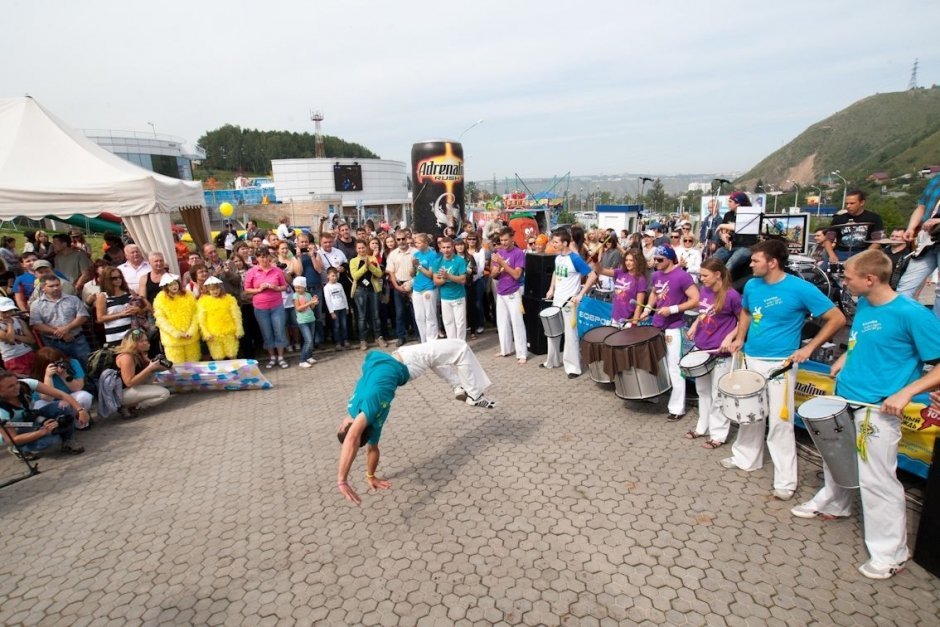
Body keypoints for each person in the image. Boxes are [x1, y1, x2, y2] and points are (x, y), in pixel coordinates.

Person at [790, 250, 940, 579]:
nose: (843, 281)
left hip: (878, 409)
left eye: (848, 277)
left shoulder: (912, 313)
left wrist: (906, 392)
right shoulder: (866, 304)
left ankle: (891, 553)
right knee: (836, 457)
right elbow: (863, 341)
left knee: (878, 480)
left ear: (870, 279)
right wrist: (847, 358)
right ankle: (835, 503)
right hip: (847, 397)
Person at [726, 239, 846, 500]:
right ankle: (746, 458)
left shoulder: (800, 288)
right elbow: (746, 311)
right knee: (751, 414)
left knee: (780, 422)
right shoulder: (752, 285)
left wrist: (810, 347)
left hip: (780, 365)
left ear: (772, 262)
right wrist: (739, 337)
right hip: (751, 359)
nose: (751, 264)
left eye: (756, 260)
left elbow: (836, 318)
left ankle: (785, 480)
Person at [335, 339, 496, 505]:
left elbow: (372, 450)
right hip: (409, 359)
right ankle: (475, 395)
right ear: (351, 426)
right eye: (342, 426)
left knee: (435, 357)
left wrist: (371, 476)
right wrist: (342, 480)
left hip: (407, 366)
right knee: (460, 348)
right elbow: (352, 439)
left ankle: (457, 386)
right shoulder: (370, 404)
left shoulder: (373, 425)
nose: (341, 421)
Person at [684, 258, 740, 448]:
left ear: (718, 275)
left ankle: (718, 434)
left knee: (718, 393)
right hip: (703, 346)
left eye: (705, 275)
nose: (701, 279)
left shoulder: (732, 295)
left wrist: (730, 337)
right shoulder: (705, 290)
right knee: (703, 391)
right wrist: (695, 324)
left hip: (720, 351)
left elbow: (743, 321)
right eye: (700, 275)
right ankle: (702, 427)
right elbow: (704, 312)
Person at [641, 245, 699, 420]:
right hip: (658, 324)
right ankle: (654, 394)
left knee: (675, 367)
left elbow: (696, 300)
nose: (656, 263)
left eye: (660, 260)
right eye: (655, 259)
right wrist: (648, 309)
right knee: (657, 363)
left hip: (675, 326)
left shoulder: (682, 276)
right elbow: (655, 293)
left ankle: (676, 408)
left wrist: (673, 309)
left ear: (670, 259)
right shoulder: (656, 274)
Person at [0, 369, 87, 457]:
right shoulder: (1, 411)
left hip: (30, 419)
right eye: (10, 386)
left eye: (16, 383)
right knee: (51, 439)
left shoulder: (25, 384)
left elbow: (61, 394)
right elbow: (12, 439)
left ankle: (68, 441)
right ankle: (17, 449)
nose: (17, 387)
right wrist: (43, 431)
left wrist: (80, 410)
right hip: (14, 429)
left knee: (64, 406)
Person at [543, 229, 593, 377]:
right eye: (553, 241)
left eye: (556, 242)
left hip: (569, 302)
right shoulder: (558, 257)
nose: (553, 244)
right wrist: (551, 289)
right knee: (553, 330)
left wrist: (580, 294)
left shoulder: (575, 258)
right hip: (557, 299)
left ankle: (573, 368)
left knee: (570, 335)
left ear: (565, 243)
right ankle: (552, 360)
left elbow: (592, 275)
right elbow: (555, 272)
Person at [898, 175, 940, 319]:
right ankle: (902, 324)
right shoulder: (936, 179)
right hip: (927, 239)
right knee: (906, 285)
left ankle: (936, 331)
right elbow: (921, 207)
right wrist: (911, 228)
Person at [29, 275, 91, 367]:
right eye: (51, 286)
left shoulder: (73, 299)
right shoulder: (36, 305)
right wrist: (58, 332)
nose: (56, 288)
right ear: (43, 288)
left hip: (77, 340)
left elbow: (83, 316)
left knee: (87, 365)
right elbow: (36, 324)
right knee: (61, 368)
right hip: (53, 343)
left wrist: (66, 328)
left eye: (57, 285)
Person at [243, 247, 289, 369]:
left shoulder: (277, 270)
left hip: (276, 306)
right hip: (260, 307)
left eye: (265, 256)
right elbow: (246, 290)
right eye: (261, 256)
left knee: (279, 331)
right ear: (257, 258)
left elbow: (284, 286)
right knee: (266, 333)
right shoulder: (251, 272)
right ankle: (272, 357)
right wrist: (259, 289)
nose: (264, 259)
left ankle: (281, 357)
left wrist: (275, 288)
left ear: (269, 256)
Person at [491, 227, 528, 363]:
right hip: (501, 291)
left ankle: (522, 353)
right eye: (501, 240)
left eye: (506, 240)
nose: (504, 242)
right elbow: (494, 274)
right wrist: (497, 270)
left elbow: (517, 275)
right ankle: (506, 349)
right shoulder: (499, 252)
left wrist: (502, 264)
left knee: (517, 322)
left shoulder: (518, 253)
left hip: (513, 291)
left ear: (512, 239)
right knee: (502, 322)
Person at [114, 329, 171, 415]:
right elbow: (129, 382)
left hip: (129, 389)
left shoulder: (138, 354)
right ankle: (129, 406)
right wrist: (149, 368)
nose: (145, 343)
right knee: (164, 393)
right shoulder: (127, 357)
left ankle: (133, 402)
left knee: (151, 372)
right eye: (141, 341)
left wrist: (164, 364)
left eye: (146, 340)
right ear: (132, 343)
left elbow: (156, 368)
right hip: (120, 394)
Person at [31, 346, 94, 420]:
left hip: (69, 396)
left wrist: (64, 374)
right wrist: (48, 377)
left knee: (85, 396)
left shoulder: (73, 363)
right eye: (54, 364)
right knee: (38, 408)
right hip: (48, 402)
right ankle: (56, 426)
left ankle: (79, 419)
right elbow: (48, 398)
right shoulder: (37, 374)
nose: (58, 365)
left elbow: (78, 388)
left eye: (59, 361)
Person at [152, 274, 201, 365]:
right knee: (177, 367)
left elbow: (196, 314)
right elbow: (161, 320)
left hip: (190, 338)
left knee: (194, 365)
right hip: (173, 341)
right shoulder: (160, 299)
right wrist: (176, 333)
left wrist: (192, 330)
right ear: (165, 287)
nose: (174, 286)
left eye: (175, 284)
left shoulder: (188, 295)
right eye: (170, 285)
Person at [591, 249, 648, 325]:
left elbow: (639, 305)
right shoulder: (620, 272)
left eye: (631, 260)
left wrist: (634, 324)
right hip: (615, 318)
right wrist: (595, 259)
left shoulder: (640, 279)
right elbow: (600, 270)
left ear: (638, 261)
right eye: (626, 260)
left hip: (628, 321)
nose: (628, 263)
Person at [825, 190, 884, 261]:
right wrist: (832, 255)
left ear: (862, 203)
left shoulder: (874, 218)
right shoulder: (838, 218)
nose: (848, 206)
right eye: (846, 203)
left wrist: (865, 254)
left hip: (864, 252)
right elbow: (828, 240)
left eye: (852, 203)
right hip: (841, 253)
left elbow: (877, 240)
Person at [349, 240, 387, 350]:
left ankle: (378, 337)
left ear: (366, 248)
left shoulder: (373, 258)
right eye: (359, 248)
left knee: (375, 315)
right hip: (360, 290)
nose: (361, 250)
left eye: (363, 247)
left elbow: (379, 273)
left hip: (373, 289)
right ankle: (363, 340)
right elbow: (355, 276)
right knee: (362, 317)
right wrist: (365, 267)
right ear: (356, 249)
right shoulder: (353, 261)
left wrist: (370, 265)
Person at [96, 265, 147, 345]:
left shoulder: (129, 292)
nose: (118, 280)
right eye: (114, 278)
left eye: (120, 277)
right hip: (115, 336)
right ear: (107, 280)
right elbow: (100, 318)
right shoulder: (103, 296)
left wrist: (138, 310)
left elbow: (143, 311)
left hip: (133, 333)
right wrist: (121, 314)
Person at [197, 276, 243, 360]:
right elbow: (201, 320)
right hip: (213, 335)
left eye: (217, 288)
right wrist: (206, 333)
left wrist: (238, 329)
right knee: (218, 358)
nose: (215, 291)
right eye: (212, 289)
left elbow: (236, 316)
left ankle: (235, 372)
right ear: (207, 290)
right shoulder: (203, 302)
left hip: (229, 332)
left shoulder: (229, 299)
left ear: (221, 288)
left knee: (232, 355)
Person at [385, 230, 417, 347]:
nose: (401, 241)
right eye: (398, 239)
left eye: (403, 239)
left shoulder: (415, 252)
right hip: (398, 284)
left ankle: (418, 334)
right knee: (399, 313)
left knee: (416, 312)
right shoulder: (392, 254)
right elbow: (391, 273)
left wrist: (412, 283)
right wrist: (397, 286)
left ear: (406, 238)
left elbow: (419, 270)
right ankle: (401, 336)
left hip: (413, 284)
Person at [435, 237, 468, 341]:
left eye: (448, 247)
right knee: (448, 323)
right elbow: (436, 281)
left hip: (458, 296)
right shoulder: (437, 261)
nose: (446, 250)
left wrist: (447, 276)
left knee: (460, 323)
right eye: (444, 247)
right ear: (440, 248)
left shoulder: (460, 260)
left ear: (453, 247)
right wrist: (445, 279)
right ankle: (452, 345)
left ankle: (461, 345)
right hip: (445, 297)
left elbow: (463, 280)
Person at [713, 191, 754, 274]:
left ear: (738, 204)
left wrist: (721, 225)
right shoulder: (728, 215)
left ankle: (723, 282)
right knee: (712, 260)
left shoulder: (749, 214)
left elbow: (738, 226)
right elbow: (723, 232)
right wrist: (723, 236)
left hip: (745, 247)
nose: (728, 203)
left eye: (730, 201)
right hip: (730, 247)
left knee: (730, 264)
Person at [411, 233, 442, 343]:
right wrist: (413, 266)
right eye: (415, 243)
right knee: (419, 316)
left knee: (430, 315)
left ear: (426, 243)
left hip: (428, 287)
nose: (416, 245)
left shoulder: (433, 255)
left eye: (418, 243)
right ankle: (424, 340)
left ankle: (431, 341)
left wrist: (418, 265)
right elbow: (413, 273)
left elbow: (430, 274)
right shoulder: (416, 254)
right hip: (417, 288)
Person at [0, 297, 35, 375]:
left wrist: (15, 335)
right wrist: (9, 324)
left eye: (10, 311)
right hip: (12, 358)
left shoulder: (19, 321)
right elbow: (10, 340)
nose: (8, 314)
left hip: (28, 352)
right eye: (4, 312)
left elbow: (31, 340)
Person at [292, 276, 318, 367]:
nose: (297, 289)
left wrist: (314, 302)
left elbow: (311, 308)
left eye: (299, 287)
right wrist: (310, 303)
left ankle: (309, 357)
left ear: (304, 287)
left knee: (311, 339)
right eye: (296, 287)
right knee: (308, 340)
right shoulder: (295, 296)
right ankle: (302, 360)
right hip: (302, 321)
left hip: (311, 319)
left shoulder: (308, 295)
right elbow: (298, 308)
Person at [324, 267, 350, 350]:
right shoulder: (326, 287)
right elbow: (328, 300)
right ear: (328, 276)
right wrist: (331, 312)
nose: (334, 277)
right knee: (336, 326)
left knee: (344, 325)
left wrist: (347, 307)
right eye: (332, 276)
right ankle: (338, 342)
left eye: (335, 275)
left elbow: (344, 296)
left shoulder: (339, 285)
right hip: (335, 309)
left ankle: (345, 340)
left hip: (342, 308)